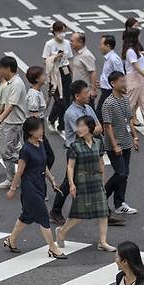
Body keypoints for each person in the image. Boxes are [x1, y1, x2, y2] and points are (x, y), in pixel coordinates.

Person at [3, 117, 65, 258]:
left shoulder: (41, 144)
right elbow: (20, 171)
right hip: (30, 188)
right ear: (31, 132)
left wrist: (52, 180)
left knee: (27, 216)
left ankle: (11, 240)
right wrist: (12, 189)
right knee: (43, 216)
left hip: (39, 185)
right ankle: (52, 248)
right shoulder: (26, 150)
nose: (42, 131)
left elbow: (43, 165)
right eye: (39, 129)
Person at [54, 115, 115, 252]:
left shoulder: (98, 143)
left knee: (103, 211)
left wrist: (102, 178)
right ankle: (62, 231)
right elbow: (70, 166)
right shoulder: (75, 146)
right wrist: (71, 184)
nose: (79, 129)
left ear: (90, 127)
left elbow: (101, 162)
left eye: (82, 126)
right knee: (79, 213)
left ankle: (103, 242)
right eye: (78, 126)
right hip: (82, 181)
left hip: (96, 180)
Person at [49, 80, 105, 226]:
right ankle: (55, 211)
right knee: (68, 183)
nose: (88, 95)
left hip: (89, 148)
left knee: (94, 178)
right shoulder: (71, 113)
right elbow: (84, 132)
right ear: (76, 95)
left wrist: (93, 129)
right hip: (75, 150)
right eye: (85, 93)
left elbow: (98, 126)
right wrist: (93, 129)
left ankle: (104, 211)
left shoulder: (87, 107)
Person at [102, 71, 139, 218]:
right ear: (113, 84)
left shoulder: (124, 99)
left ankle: (119, 203)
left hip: (126, 142)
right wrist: (115, 145)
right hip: (114, 145)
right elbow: (107, 126)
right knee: (121, 172)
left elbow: (129, 119)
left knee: (125, 174)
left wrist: (135, 137)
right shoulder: (108, 103)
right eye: (122, 82)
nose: (124, 84)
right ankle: (102, 198)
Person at [0, 56, 26, 189]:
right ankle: (12, 176)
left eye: (1, 69)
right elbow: (4, 104)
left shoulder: (16, 84)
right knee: (7, 152)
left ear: (8, 69)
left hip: (14, 123)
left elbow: (11, 106)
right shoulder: (9, 83)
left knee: (7, 153)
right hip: (8, 123)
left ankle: (29, 163)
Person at [43, 21, 73, 132]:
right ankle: (51, 119)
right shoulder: (49, 44)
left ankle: (62, 125)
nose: (62, 34)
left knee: (67, 98)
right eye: (60, 31)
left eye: (64, 31)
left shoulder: (67, 43)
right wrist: (55, 58)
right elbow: (46, 61)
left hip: (65, 71)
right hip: (54, 74)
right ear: (54, 32)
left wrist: (71, 75)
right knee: (59, 99)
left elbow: (69, 60)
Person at [25, 65, 55, 169]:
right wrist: (38, 136)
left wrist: (50, 96)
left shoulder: (38, 91)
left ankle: (38, 174)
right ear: (37, 79)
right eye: (43, 75)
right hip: (36, 129)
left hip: (38, 128)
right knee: (48, 156)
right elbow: (34, 115)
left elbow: (41, 110)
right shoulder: (34, 95)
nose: (45, 76)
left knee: (45, 157)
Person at [96, 35, 124, 121]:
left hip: (110, 92)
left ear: (107, 46)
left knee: (100, 114)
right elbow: (109, 74)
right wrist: (102, 83)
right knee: (104, 115)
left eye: (101, 44)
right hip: (106, 90)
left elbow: (120, 75)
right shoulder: (109, 58)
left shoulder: (114, 59)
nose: (100, 47)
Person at [70, 32, 98, 104]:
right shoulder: (77, 53)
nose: (70, 43)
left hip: (85, 93)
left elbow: (92, 72)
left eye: (72, 41)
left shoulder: (86, 55)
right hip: (76, 90)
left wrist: (93, 90)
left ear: (80, 42)